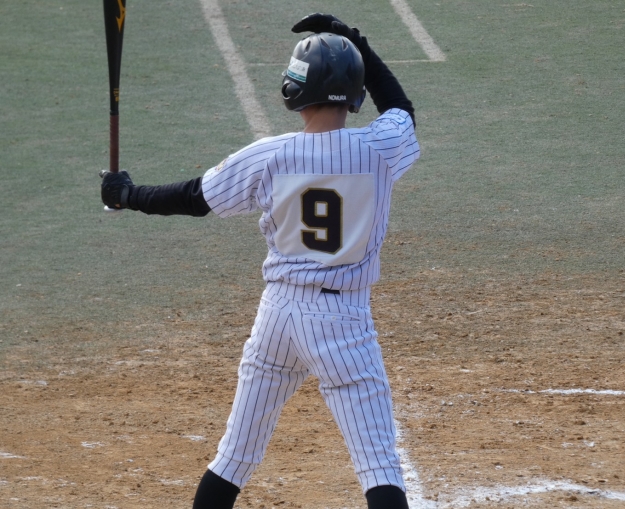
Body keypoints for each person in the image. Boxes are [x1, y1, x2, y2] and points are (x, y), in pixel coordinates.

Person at [100, 13, 420, 509]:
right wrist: (357, 43)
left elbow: (194, 198)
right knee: (379, 465)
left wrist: (127, 195)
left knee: (234, 457)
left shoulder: (268, 155)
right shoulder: (378, 149)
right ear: (354, 94)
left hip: (277, 316)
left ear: (296, 89)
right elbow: (400, 108)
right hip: (342, 321)